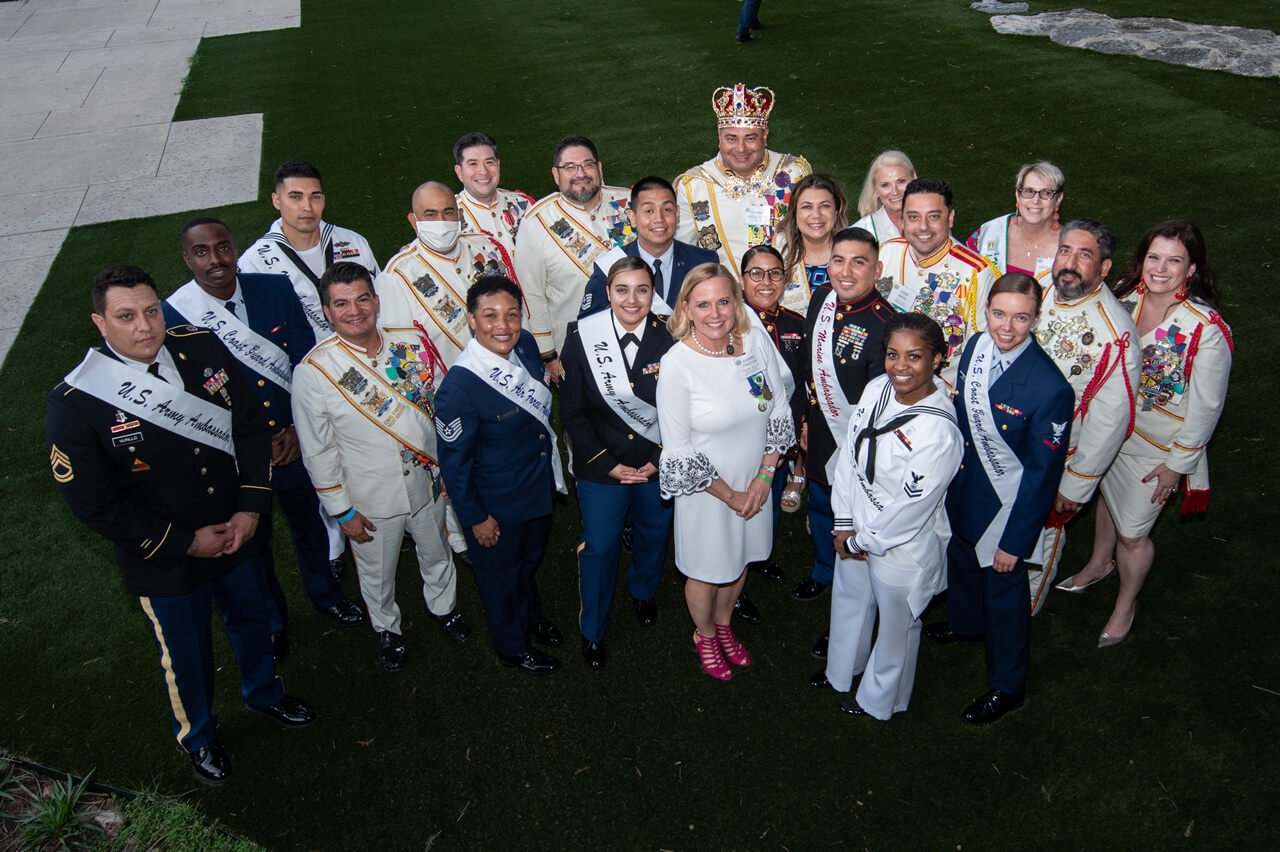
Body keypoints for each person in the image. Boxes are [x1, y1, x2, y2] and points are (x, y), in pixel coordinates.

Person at [46, 265, 317, 785]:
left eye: (151, 311)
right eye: (126, 316)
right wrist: (184, 543)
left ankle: (265, 694)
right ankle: (199, 736)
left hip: (236, 529)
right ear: (100, 323)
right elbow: (94, 503)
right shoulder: (76, 401)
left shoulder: (202, 346)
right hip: (165, 556)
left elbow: (250, 427)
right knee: (186, 654)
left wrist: (249, 509)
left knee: (254, 622)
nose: (145, 326)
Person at [165, 219, 365, 665]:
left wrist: (295, 426)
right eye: (202, 252)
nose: (215, 260)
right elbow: (188, 398)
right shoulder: (174, 315)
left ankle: (327, 594)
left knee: (311, 526)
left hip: (291, 440)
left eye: (222, 247)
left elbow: (304, 359)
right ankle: (273, 622)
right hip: (235, 459)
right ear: (187, 259)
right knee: (252, 545)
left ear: (235, 248)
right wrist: (249, 448)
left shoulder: (273, 288)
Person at [1060, 220, 1233, 647]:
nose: (1160, 268)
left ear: (1191, 269)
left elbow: (1207, 408)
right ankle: (1099, 564)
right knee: (1106, 501)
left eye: (1174, 261)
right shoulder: (1123, 299)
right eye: (1154, 257)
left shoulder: (1206, 328)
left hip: (1155, 450)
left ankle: (1125, 605)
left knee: (1133, 535)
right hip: (1106, 434)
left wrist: (1177, 466)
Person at [291, 263, 471, 672]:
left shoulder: (412, 341)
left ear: (376, 301)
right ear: (327, 312)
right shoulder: (314, 371)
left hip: (427, 481)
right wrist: (342, 511)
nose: (354, 311)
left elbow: (440, 407)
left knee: (437, 552)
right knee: (377, 572)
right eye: (341, 304)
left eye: (362, 299)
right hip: (369, 498)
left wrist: (448, 468)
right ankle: (387, 627)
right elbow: (317, 451)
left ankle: (444, 607)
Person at [926, 273, 1075, 725]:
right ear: (986, 310)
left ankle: (1008, 685)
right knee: (962, 562)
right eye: (998, 314)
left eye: (1020, 318)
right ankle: (967, 626)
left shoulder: (1051, 389)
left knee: (1006, 598)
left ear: (1036, 318)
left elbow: (1041, 478)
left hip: (1005, 510)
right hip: (965, 487)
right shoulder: (976, 345)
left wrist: (1016, 542)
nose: (1006, 328)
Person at [812, 313, 963, 720]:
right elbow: (850, 453)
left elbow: (910, 509)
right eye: (893, 354)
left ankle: (880, 700)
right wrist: (844, 521)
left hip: (902, 547)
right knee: (849, 600)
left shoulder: (940, 431)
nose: (901, 366)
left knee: (897, 626)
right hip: (856, 524)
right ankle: (841, 671)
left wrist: (860, 541)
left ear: (937, 359)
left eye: (914, 356)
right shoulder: (878, 387)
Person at [239, 160, 379, 580]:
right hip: (306, 376)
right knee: (322, 454)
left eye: (315, 196)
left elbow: (380, 299)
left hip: (363, 365)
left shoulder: (351, 242)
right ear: (276, 200)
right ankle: (333, 539)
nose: (307, 207)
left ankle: (380, 513)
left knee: (369, 443)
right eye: (295, 197)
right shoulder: (256, 260)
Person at [656, 263, 795, 681]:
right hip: (709, 494)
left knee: (741, 560)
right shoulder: (677, 365)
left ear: (737, 303)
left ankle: (723, 625)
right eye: (703, 304)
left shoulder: (753, 342)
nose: (714, 313)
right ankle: (704, 635)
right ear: (686, 308)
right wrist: (733, 496)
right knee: (708, 571)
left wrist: (765, 477)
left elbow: (778, 408)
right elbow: (679, 451)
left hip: (755, 484)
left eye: (723, 301)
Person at [434, 276, 568, 675]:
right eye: (490, 316)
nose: (503, 326)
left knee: (525, 563)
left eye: (511, 314)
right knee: (499, 578)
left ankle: (531, 616)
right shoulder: (458, 388)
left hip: (535, 486)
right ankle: (513, 647)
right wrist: (476, 518)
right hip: (496, 505)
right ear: (472, 320)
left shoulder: (524, 346)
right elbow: (454, 465)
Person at [560, 257, 675, 669]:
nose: (632, 299)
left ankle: (643, 591)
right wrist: (605, 464)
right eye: (621, 290)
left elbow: (685, 407)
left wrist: (660, 458)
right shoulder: (581, 336)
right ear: (607, 293)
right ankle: (593, 629)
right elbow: (572, 412)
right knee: (601, 547)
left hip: (653, 463)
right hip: (601, 466)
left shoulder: (673, 335)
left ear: (653, 293)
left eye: (642, 290)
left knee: (653, 534)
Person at [1031, 220, 1140, 611]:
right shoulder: (1040, 288)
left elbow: (1111, 421)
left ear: (1105, 267)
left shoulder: (1115, 336)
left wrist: (1075, 486)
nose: (1070, 264)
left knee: (1036, 543)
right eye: (1065, 251)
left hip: (1055, 460)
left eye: (1084, 255)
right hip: (1008, 442)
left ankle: (1022, 611)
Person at [795, 228, 895, 610]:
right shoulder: (821, 298)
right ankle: (824, 570)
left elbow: (884, 403)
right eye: (838, 261)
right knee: (821, 503)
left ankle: (855, 584)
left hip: (861, 441)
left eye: (859, 262)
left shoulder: (887, 324)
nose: (846, 272)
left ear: (877, 270)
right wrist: (805, 420)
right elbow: (809, 366)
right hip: (821, 428)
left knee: (854, 513)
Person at [674, 83, 812, 311]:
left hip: (793, 303)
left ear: (765, 136)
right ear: (719, 137)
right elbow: (682, 254)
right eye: (731, 138)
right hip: (729, 310)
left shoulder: (794, 173)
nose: (741, 148)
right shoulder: (694, 186)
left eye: (750, 138)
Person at [514, 135, 632, 378]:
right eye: (569, 167)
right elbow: (531, 293)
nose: (581, 173)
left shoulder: (630, 202)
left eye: (587, 164)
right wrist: (548, 355)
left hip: (638, 338)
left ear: (599, 168)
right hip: (579, 351)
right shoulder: (537, 222)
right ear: (556, 175)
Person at [377, 180, 520, 367]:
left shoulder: (487, 246)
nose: (441, 221)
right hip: (453, 381)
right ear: (414, 221)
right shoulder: (396, 277)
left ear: (460, 215)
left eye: (448, 212)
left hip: (512, 368)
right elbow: (398, 349)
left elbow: (517, 309)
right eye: (431, 214)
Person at [875, 178, 997, 389]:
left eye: (933, 216)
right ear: (902, 220)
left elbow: (983, 351)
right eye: (914, 217)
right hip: (882, 385)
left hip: (940, 395)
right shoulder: (885, 252)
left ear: (950, 218)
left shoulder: (977, 274)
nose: (923, 227)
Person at [740, 245, 806, 584]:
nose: (766, 282)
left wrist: (795, 432)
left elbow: (805, 384)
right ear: (741, 280)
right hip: (740, 438)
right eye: (756, 273)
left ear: (785, 279)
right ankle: (736, 571)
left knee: (770, 503)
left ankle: (763, 554)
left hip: (779, 438)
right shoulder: (729, 322)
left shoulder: (797, 324)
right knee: (739, 507)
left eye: (775, 273)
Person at [578, 176, 719, 318]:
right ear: (632, 218)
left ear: (677, 214)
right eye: (649, 211)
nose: (659, 219)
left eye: (667, 209)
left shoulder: (703, 261)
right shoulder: (609, 267)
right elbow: (589, 323)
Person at [967, 161, 1065, 279]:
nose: (1036, 201)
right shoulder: (990, 232)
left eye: (1046, 193)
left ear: (1058, 199)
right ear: (1018, 195)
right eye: (1029, 191)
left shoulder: (1069, 245)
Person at [453, 132, 535, 260]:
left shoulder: (524, 204)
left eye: (489, 162)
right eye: (473, 164)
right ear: (459, 172)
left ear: (498, 165)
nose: (483, 171)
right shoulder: (449, 217)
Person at [776, 173, 849, 312]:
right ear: (795, 214)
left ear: (836, 212)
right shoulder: (776, 251)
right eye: (807, 207)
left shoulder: (855, 252)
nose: (816, 215)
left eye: (824, 206)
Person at [851, 150, 917, 243]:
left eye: (901, 181)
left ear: (914, 180)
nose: (895, 192)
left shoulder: (934, 221)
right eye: (885, 185)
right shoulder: (858, 235)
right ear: (876, 190)